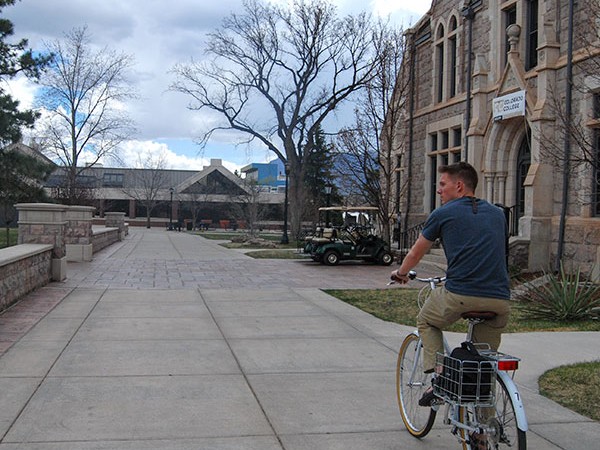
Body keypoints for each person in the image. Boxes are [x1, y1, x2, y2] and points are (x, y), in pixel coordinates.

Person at [391, 161, 511, 406]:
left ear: (459, 186)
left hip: (461, 294)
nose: (439, 190)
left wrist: (402, 273)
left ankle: (441, 376)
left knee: (426, 320)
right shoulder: (498, 215)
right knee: (482, 365)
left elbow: (415, 253)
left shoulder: (443, 213)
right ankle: (481, 434)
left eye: (442, 184)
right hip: (500, 300)